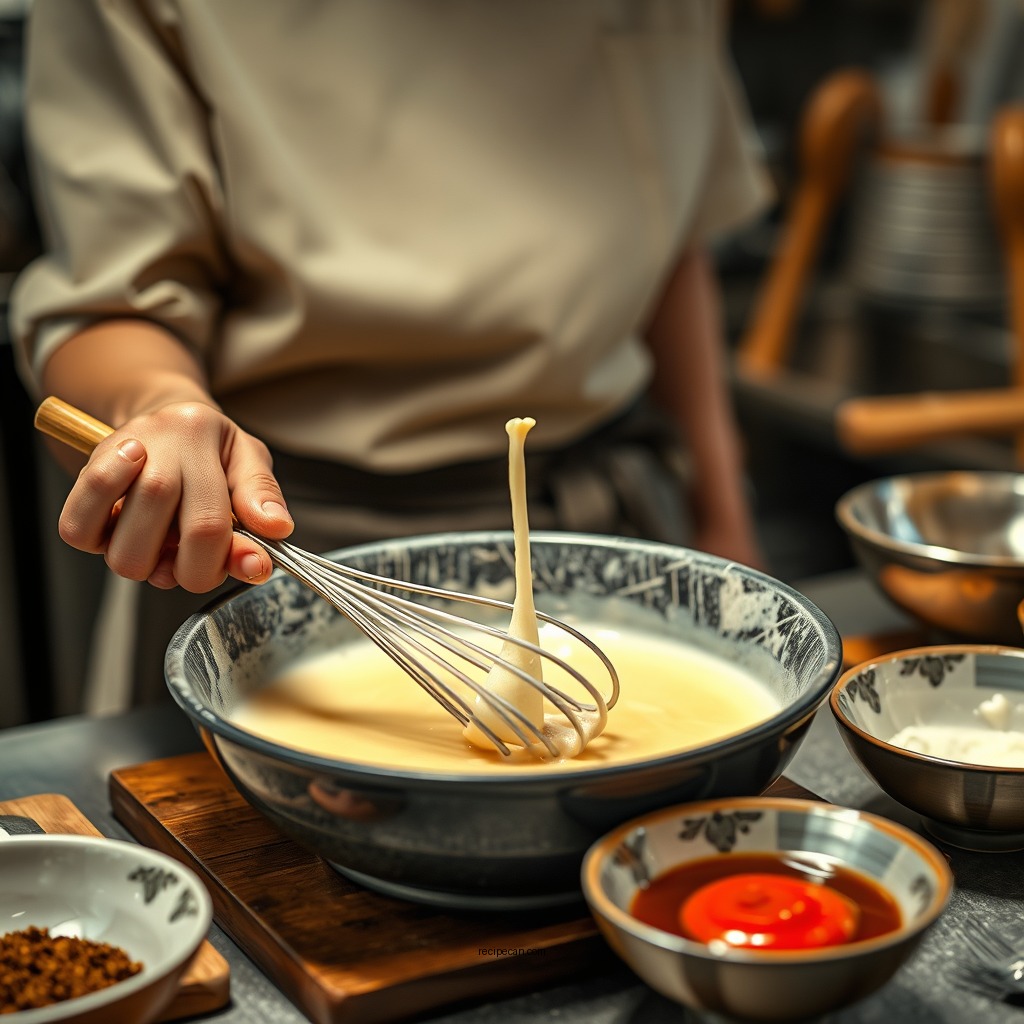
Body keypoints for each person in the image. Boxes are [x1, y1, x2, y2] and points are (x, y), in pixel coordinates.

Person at [10, 0, 773, 707]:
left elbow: (671, 245)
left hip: (614, 526)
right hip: (287, 555)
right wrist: (161, 411)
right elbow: (112, 303)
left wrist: (723, 513)